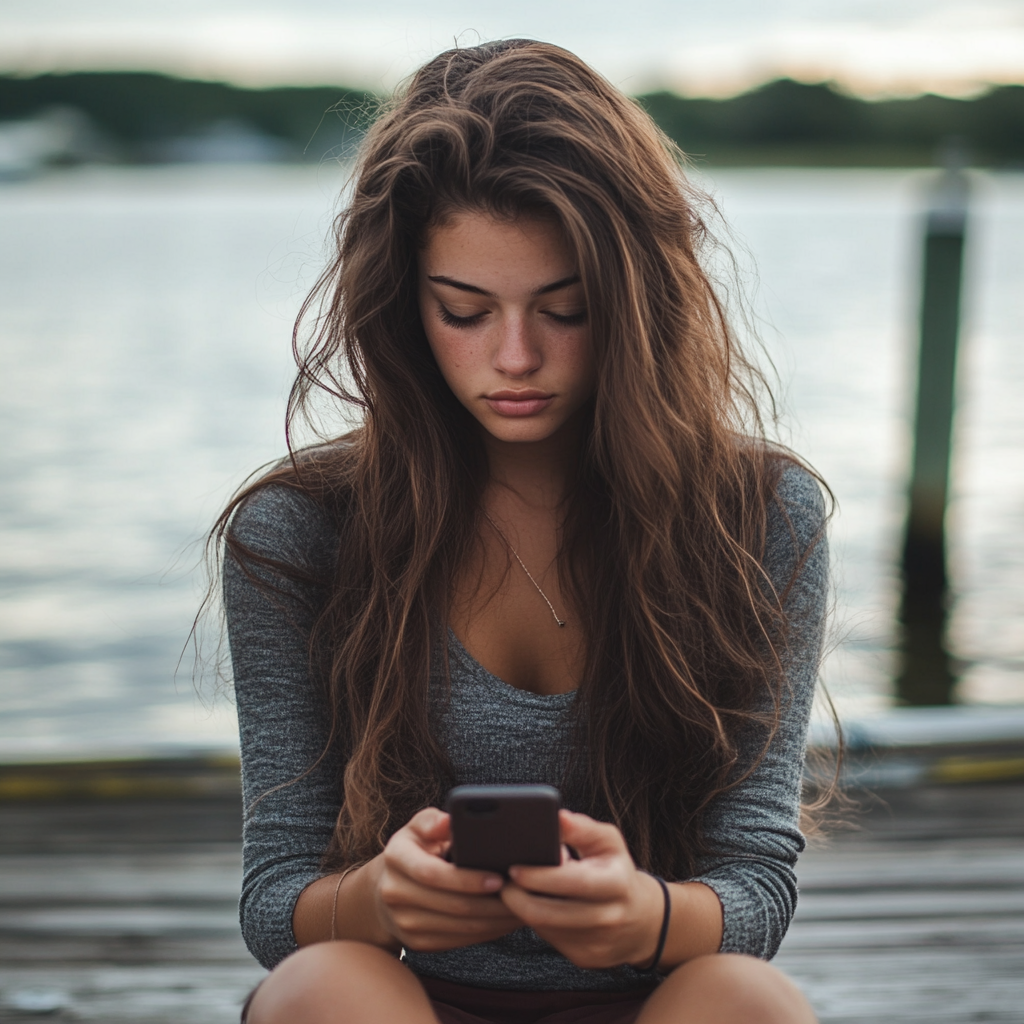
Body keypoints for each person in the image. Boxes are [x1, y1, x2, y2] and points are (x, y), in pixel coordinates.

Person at [218, 38, 829, 1024]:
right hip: (407, 1000)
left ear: (638, 301)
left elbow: (753, 884)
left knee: (746, 998)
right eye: (463, 310)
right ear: (403, 303)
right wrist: (377, 896)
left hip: (647, 1001)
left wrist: (648, 918)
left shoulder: (756, 516)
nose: (515, 356)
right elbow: (276, 898)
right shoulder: (297, 531)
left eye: (567, 308)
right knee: (324, 981)